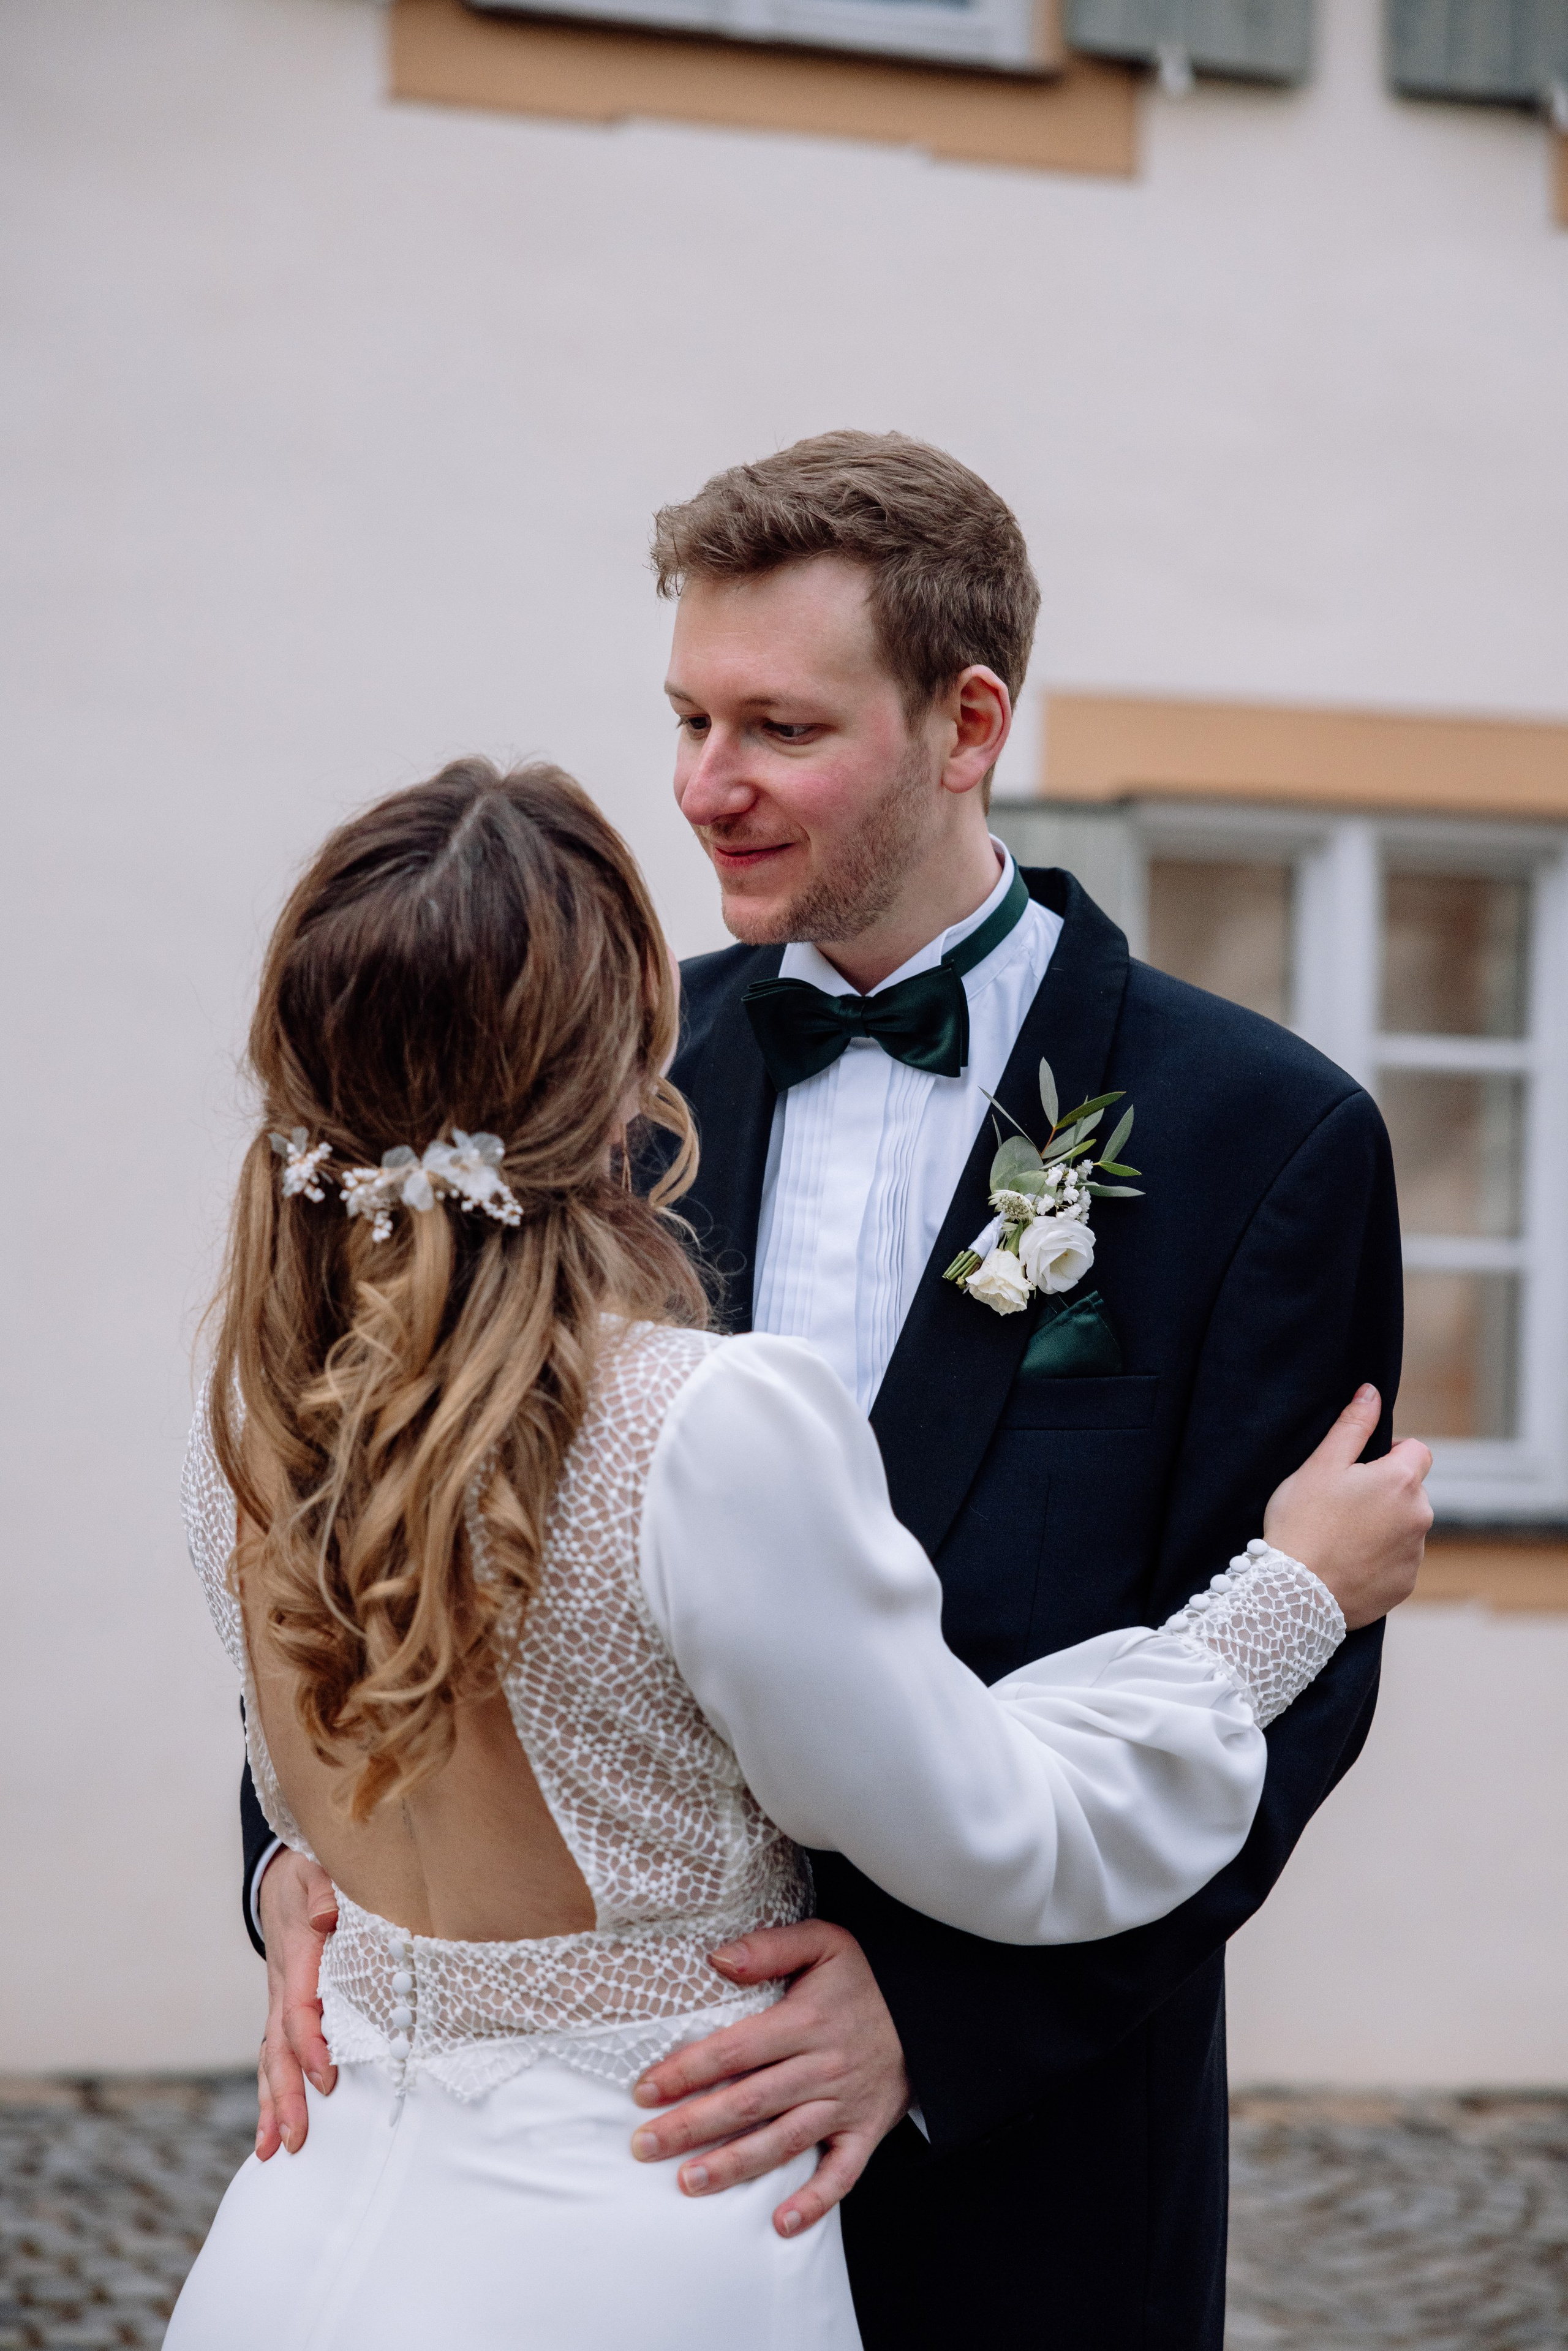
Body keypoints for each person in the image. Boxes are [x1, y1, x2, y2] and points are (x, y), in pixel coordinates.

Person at [244, 433, 1425, 2349]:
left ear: (969, 723)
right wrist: (304, 1878)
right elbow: (369, 1494)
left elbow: (1304, 1672)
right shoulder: (591, 1083)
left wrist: (932, 2021)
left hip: (1030, 2165)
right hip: (610, 2183)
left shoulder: (1264, 1137)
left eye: (778, 727)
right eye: (690, 716)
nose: (705, 788)